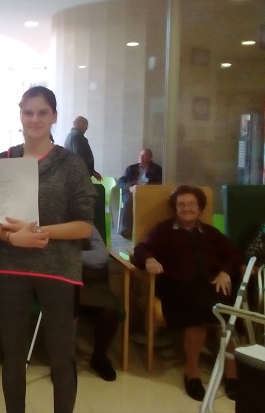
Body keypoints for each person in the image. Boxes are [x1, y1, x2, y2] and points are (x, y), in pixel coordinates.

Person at [0, 86, 96, 413]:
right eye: (28, 112)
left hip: (59, 270)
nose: (34, 119)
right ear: (20, 115)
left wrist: (38, 233)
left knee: (62, 356)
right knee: (13, 355)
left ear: (54, 116)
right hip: (11, 268)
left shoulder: (71, 164)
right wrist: (12, 239)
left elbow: (84, 225)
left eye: (42, 112)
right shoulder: (4, 160)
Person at [132, 185, 242, 402]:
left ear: (200, 208)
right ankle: (192, 372)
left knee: (227, 314)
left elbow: (233, 254)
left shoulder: (211, 233)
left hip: (211, 284)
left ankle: (232, 373)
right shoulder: (163, 230)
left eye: (191, 204)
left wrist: (225, 272)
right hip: (178, 286)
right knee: (198, 312)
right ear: (175, 208)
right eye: (181, 204)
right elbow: (142, 248)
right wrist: (150, 259)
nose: (186, 208)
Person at [79, 226, 120, 381]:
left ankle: (99, 357)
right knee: (63, 307)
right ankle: (63, 361)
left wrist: (69, 255)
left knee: (109, 312)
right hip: (64, 281)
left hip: (93, 283)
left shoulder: (88, 228)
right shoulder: (50, 224)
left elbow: (101, 257)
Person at [117, 148, 163, 239]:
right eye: (140, 155)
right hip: (132, 191)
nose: (141, 158)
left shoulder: (156, 169)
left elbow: (159, 182)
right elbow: (121, 181)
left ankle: (149, 229)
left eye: (144, 156)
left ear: (150, 158)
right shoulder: (131, 168)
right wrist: (129, 188)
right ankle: (128, 229)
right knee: (128, 200)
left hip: (148, 192)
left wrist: (148, 186)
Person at [63, 116, 102, 180]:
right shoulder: (78, 137)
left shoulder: (69, 136)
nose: (86, 129)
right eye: (86, 126)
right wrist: (92, 171)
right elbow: (80, 157)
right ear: (80, 124)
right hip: (79, 175)